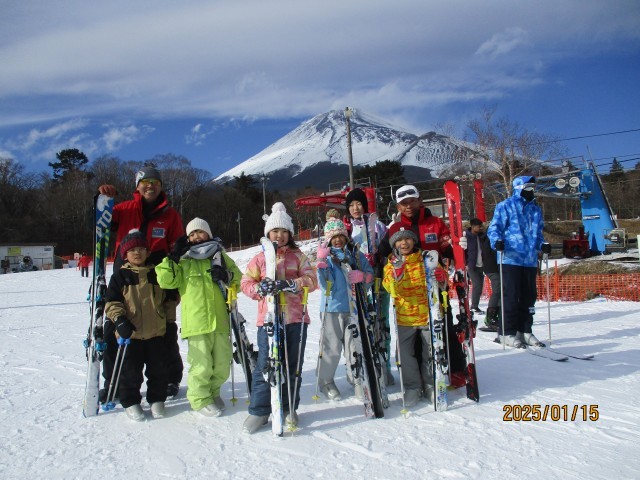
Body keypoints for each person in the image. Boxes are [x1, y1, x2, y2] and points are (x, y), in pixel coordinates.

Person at [98, 165, 184, 401]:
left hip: (159, 278)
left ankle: (170, 378)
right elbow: (99, 223)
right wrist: (103, 199)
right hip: (125, 276)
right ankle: (113, 382)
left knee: (165, 333)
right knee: (115, 332)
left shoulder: (171, 215)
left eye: (155, 183)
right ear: (138, 187)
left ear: (161, 187)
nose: (150, 186)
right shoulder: (125, 209)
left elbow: (178, 247)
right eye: (146, 183)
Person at [240, 202, 318, 434]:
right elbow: (246, 284)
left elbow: (312, 280)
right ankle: (260, 410)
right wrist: (259, 289)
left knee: (292, 365)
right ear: (268, 233)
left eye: (284, 231)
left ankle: (288, 407)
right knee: (266, 365)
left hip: (295, 319)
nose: (280, 235)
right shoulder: (260, 258)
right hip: (269, 321)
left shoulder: (298, 256)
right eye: (275, 231)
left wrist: (292, 284)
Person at [379, 184, 466, 387]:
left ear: (419, 201)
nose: (408, 206)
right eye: (403, 203)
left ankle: (455, 370)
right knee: (416, 338)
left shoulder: (435, 223)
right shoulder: (395, 228)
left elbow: (447, 249)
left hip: (435, 287)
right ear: (398, 207)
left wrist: (459, 248)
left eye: (411, 201)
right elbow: (383, 253)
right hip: (409, 293)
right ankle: (420, 378)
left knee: (443, 329)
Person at [156, 217, 242, 417]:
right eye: (191, 234)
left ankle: (212, 392)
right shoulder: (185, 260)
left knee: (222, 362)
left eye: (200, 232)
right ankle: (200, 399)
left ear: (209, 234)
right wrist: (173, 257)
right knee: (201, 364)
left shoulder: (219, 256)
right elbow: (166, 281)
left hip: (220, 320)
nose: (196, 236)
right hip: (196, 322)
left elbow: (238, 278)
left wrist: (226, 276)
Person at [104, 230, 173, 421]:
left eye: (142, 249)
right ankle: (131, 401)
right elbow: (112, 303)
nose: (137, 253)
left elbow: (168, 300)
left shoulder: (157, 274)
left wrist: (168, 321)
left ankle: (157, 399)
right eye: (132, 250)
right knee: (130, 372)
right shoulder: (120, 277)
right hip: (130, 335)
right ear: (125, 254)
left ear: (148, 252)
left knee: (158, 370)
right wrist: (119, 321)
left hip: (155, 333)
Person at [382, 228, 449, 406]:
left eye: (408, 239)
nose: (404, 243)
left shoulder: (427, 259)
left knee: (429, 352)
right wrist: (398, 272)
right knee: (405, 355)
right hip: (405, 317)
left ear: (414, 241)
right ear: (394, 244)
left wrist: (442, 278)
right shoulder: (392, 263)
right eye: (399, 240)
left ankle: (430, 385)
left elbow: (442, 283)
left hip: (428, 315)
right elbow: (388, 286)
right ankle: (412, 387)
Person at [487, 176, 550, 347]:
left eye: (533, 187)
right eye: (527, 187)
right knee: (511, 296)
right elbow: (494, 228)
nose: (531, 190)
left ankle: (524, 330)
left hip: (529, 260)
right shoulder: (505, 206)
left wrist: (542, 245)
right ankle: (506, 332)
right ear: (518, 187)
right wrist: (497, 241)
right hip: (510, 258)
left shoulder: (535, 210)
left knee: (529, 297)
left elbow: (538, 233)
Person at [316, 217, 374, 401]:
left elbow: (370, 275)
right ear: (329, 239)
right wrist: (322, 265)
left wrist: (363, 277)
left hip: (354, 307)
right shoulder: (328, 256)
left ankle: (357, 379)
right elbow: (326, 286)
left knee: (354, 346)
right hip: (332, 308)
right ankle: (326, 381)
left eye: (341, 235)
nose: (338, 240)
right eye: (334, 237)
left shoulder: (356, 253)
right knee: (331, 347)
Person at [344, 187, 394, 385]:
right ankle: (362, 367)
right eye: (351, 205)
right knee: (360, 326)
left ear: (364, 205)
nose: (355, 208)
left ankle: (384, 365)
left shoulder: (377, 226)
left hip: (378, 281)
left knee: (381, 323)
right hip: (357, 285)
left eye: (358, 204)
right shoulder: (346, 229)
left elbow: (388, 250)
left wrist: (381, 260)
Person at [460, 219, 487, 315]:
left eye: (480, 226)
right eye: (478, 226)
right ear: (473, 226)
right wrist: (465, 263)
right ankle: (474, 306)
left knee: (480, 286)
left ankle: (475, 305)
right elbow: (463, 250)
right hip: (471, 265)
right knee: (477, 285)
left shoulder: (482, 236)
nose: (479, 228)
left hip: (481, 264)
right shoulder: (467, 237)